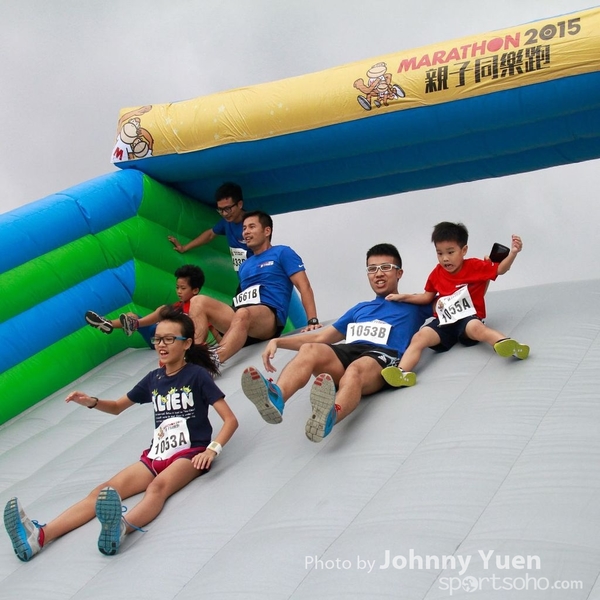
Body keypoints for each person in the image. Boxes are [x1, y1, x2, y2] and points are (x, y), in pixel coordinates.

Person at [4, 308, 238, 561]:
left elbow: (230, 420)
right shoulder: (154, 378)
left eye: (170, 339)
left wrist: (212, 450)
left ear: (187, 343)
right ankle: (39, 537)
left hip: (189, 454)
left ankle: (120, 529)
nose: (161, 344)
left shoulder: (197, 375)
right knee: (102, 491)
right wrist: (91, 401)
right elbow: (117, 406)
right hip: (155, 456)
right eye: (158, 338)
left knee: (158, 488)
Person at [240, 243, 431, 442]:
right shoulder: (360, 308)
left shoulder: (415, 304)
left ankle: (330, 416)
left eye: (385, 267)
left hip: (381, 356)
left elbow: (446, 300)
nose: (378, 274)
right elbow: (320, 337)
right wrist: (278, 341)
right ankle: (276, 398)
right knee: (310, 349)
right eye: (372, 269)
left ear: (399, 273)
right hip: (350, 350)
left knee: (355, 369)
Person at [381, 221, 529, 388]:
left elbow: (500, 269)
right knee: (419, 337)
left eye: (450, 252)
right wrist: (404, 297)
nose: (445, 258)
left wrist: (513, 253)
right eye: (439, 253)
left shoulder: (474, 266)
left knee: (477, 328)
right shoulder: (436, 273)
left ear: (463, 250)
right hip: (444, 321)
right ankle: (402, 373)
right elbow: (426, 297)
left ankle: (509, 345)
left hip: (468, 317)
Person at [188, 210, 321, 366]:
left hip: (268, 318)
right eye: (244, 228)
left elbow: (304, 286)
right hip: (242, 318)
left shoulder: (282, 252)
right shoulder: (244, 265)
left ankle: (212, 361)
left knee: (243, 313)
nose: (246, 232)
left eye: (251, 227)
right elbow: (242, 298)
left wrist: (312, 320)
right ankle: (193, 359)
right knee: (198, 301)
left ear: (267, 231)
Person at [84, 264, 221, 345]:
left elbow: (213, 329)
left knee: (163, 310)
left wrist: (224, 346)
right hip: (155, 332)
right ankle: (109, 324)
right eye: (177, 287)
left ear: (195, 290)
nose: (179, 291)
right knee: (132, 315)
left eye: (183, 288)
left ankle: (135, 324)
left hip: (169, 339)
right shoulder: (178, 305)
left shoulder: (199, 309)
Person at [168, 182, 252, 272]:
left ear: (240, 204)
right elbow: (210, 235)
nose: (224, 214)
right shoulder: (226, 223)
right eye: (220, 210)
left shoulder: (254, 223)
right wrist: (184, 248)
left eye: (227, 209)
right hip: (244, 275)